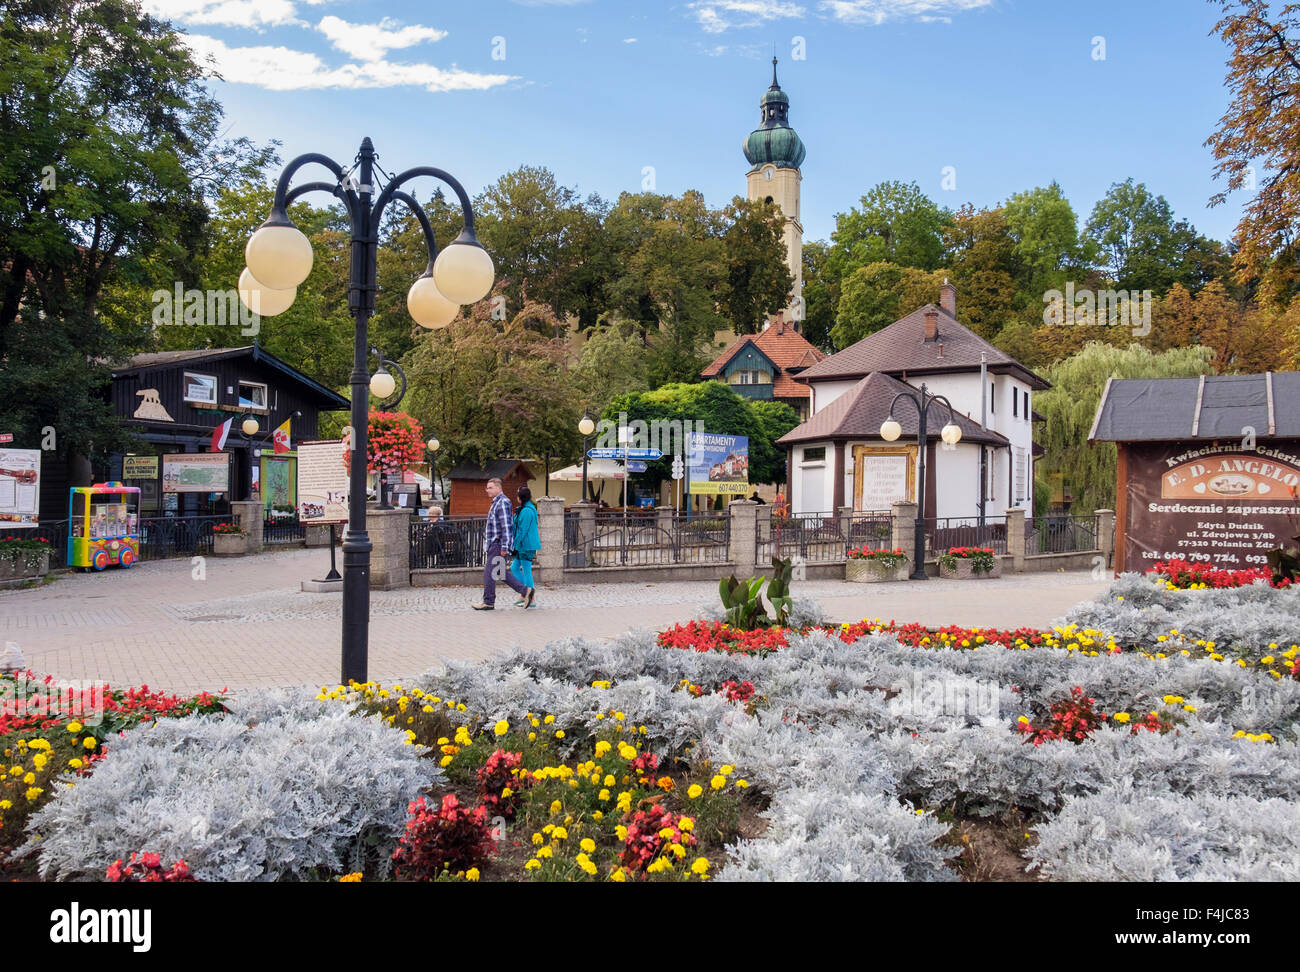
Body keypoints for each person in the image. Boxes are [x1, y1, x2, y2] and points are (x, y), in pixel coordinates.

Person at [473, 478, 531, 610]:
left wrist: (505, 547)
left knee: (489, 573)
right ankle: (525, 591)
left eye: (490, 487)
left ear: (498, 488)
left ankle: (488, 602)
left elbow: (506, 527)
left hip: (498, 545)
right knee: (499, 573)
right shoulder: (496, 502)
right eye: (487, 488)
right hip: (495, 545)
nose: (487, 490)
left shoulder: (503, 502)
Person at [509, 486, 540, 608]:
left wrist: (514, 544)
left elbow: (523, 530)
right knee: (514, 567)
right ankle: (524, 593)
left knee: (526, 570)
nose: (516, 497)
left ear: (520, 497)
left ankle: (530, 597)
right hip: (524, 544)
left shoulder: (526, 511)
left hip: (526, 545)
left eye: (517, 495)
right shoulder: (525, 508)